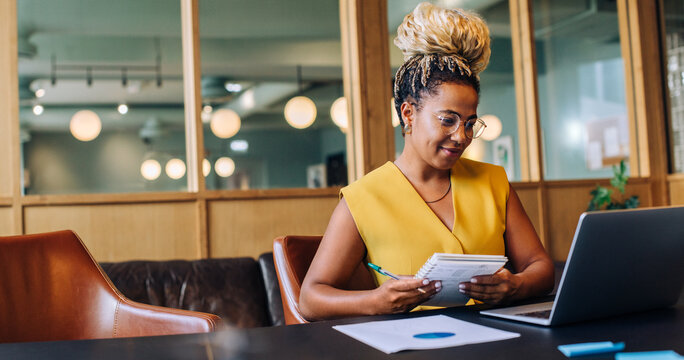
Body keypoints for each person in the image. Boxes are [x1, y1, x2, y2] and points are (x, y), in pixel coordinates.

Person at [299, 2, 554, 321]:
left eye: (470, 122)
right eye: (448, 120)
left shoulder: (493, 181)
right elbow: (311, 299)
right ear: (408, 113)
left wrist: (515, 285)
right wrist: (376, 300)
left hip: (498, 340)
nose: (461, 136)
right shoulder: (363, 198)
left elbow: (542, 268)